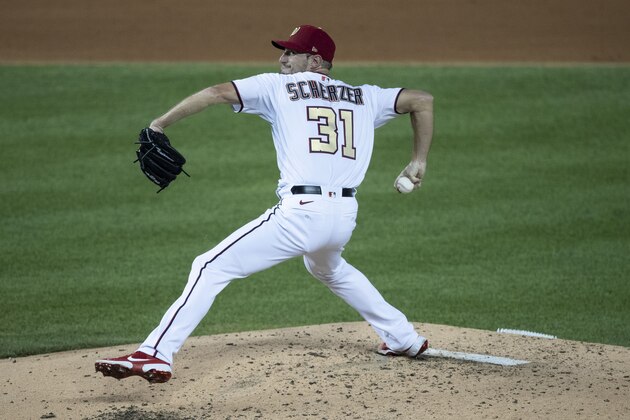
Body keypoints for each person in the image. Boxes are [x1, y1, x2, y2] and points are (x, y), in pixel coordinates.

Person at [95, 24, 434, 383]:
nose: (282, 58)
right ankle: (403, 338)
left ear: (315, 59)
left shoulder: (278, 87)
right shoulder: (366, 96)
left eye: (291, 52)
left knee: (210, 267)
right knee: (327, 267)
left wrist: (159, 124)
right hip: (344, 217)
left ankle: (155, 353)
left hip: (301, 214)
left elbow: (215, 93)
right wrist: (418, 161)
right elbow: (422, 100)